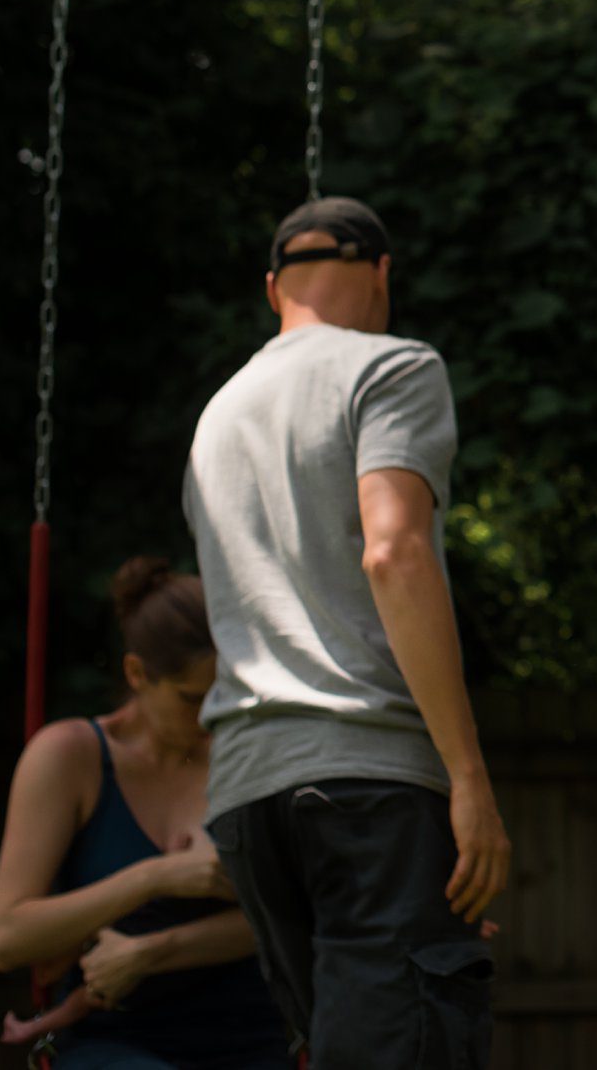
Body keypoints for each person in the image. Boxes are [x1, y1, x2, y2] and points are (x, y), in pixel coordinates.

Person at [186, 196, 510, 1070]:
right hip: (369, 784)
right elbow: (395, 552)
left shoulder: (218, 415)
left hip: (248, 803)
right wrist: (468, 777)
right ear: (382, 273)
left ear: (271, 290)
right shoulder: (393, 367)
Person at [0, 557, 291, 1070]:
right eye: (192, 698)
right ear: (136, 673)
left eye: (224, 695)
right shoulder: (71, 757)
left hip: (250, 1041)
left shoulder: (248, 757)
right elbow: (9, 939)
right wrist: (156, 876)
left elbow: (290, 915)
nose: (209, 716)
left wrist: (154, 950)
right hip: (113, 1044)